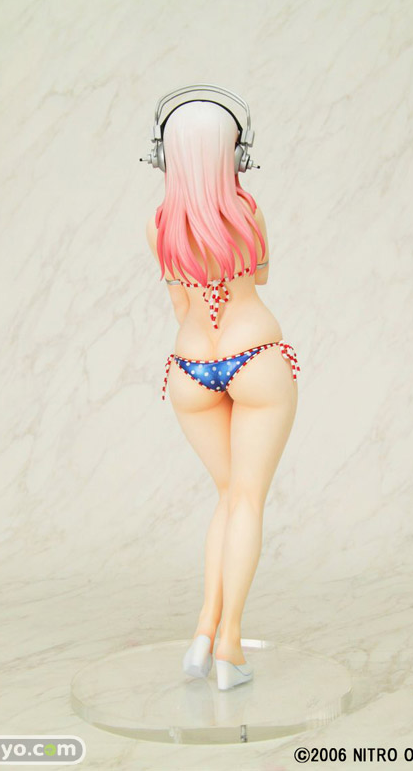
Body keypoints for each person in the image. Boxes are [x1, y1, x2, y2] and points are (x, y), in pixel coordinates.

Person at [145, 98, 300, 690]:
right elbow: (260, 275)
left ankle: (202, 632)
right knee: (247, 500)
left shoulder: (159, 224)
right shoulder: (246, 211)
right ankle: (229, 646)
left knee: (227, 495)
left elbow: (179, 303)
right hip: (254, 358)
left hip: (189, 369)